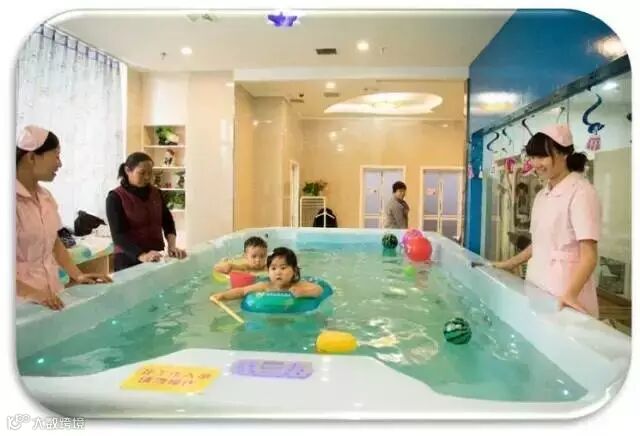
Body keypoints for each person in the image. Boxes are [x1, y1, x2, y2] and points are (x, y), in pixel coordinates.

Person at [492, 124, 601, 317]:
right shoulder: (543, 195)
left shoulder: (581, 192)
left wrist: (570, 294)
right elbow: (539, 244)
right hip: (538, 283)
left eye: (542, 157)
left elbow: (589, 256)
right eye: (532, 157)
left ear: (563, 153)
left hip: (566, 290)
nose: (535, 164)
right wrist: (509, 264)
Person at [16, 125, 112, 310]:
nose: (59, 164)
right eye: (56, 155)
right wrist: (31, 293)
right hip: (18, 303)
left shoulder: (46, 198)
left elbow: (55, 242)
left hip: (51, 293)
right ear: (32, 157)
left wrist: (77, 274)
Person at [106, 152, 187, 272]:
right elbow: (118, 235)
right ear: (127, 170)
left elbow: (168, 222)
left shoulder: (156, 193)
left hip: (155, 256)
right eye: (142, 173)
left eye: (150, 173)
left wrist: (172, 246)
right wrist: (142, 255)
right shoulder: (115, 198)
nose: (147, 177)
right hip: (128, 259)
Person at [211, 247, 322, 301]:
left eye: (283, 268)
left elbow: (319, 289)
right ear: (268, 272)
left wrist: (304, 292)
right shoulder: (265, 286)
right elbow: (242, 291)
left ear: (294, 270)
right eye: (273, 268)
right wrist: (223, 295)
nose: (278, 272)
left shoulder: (298, 285)